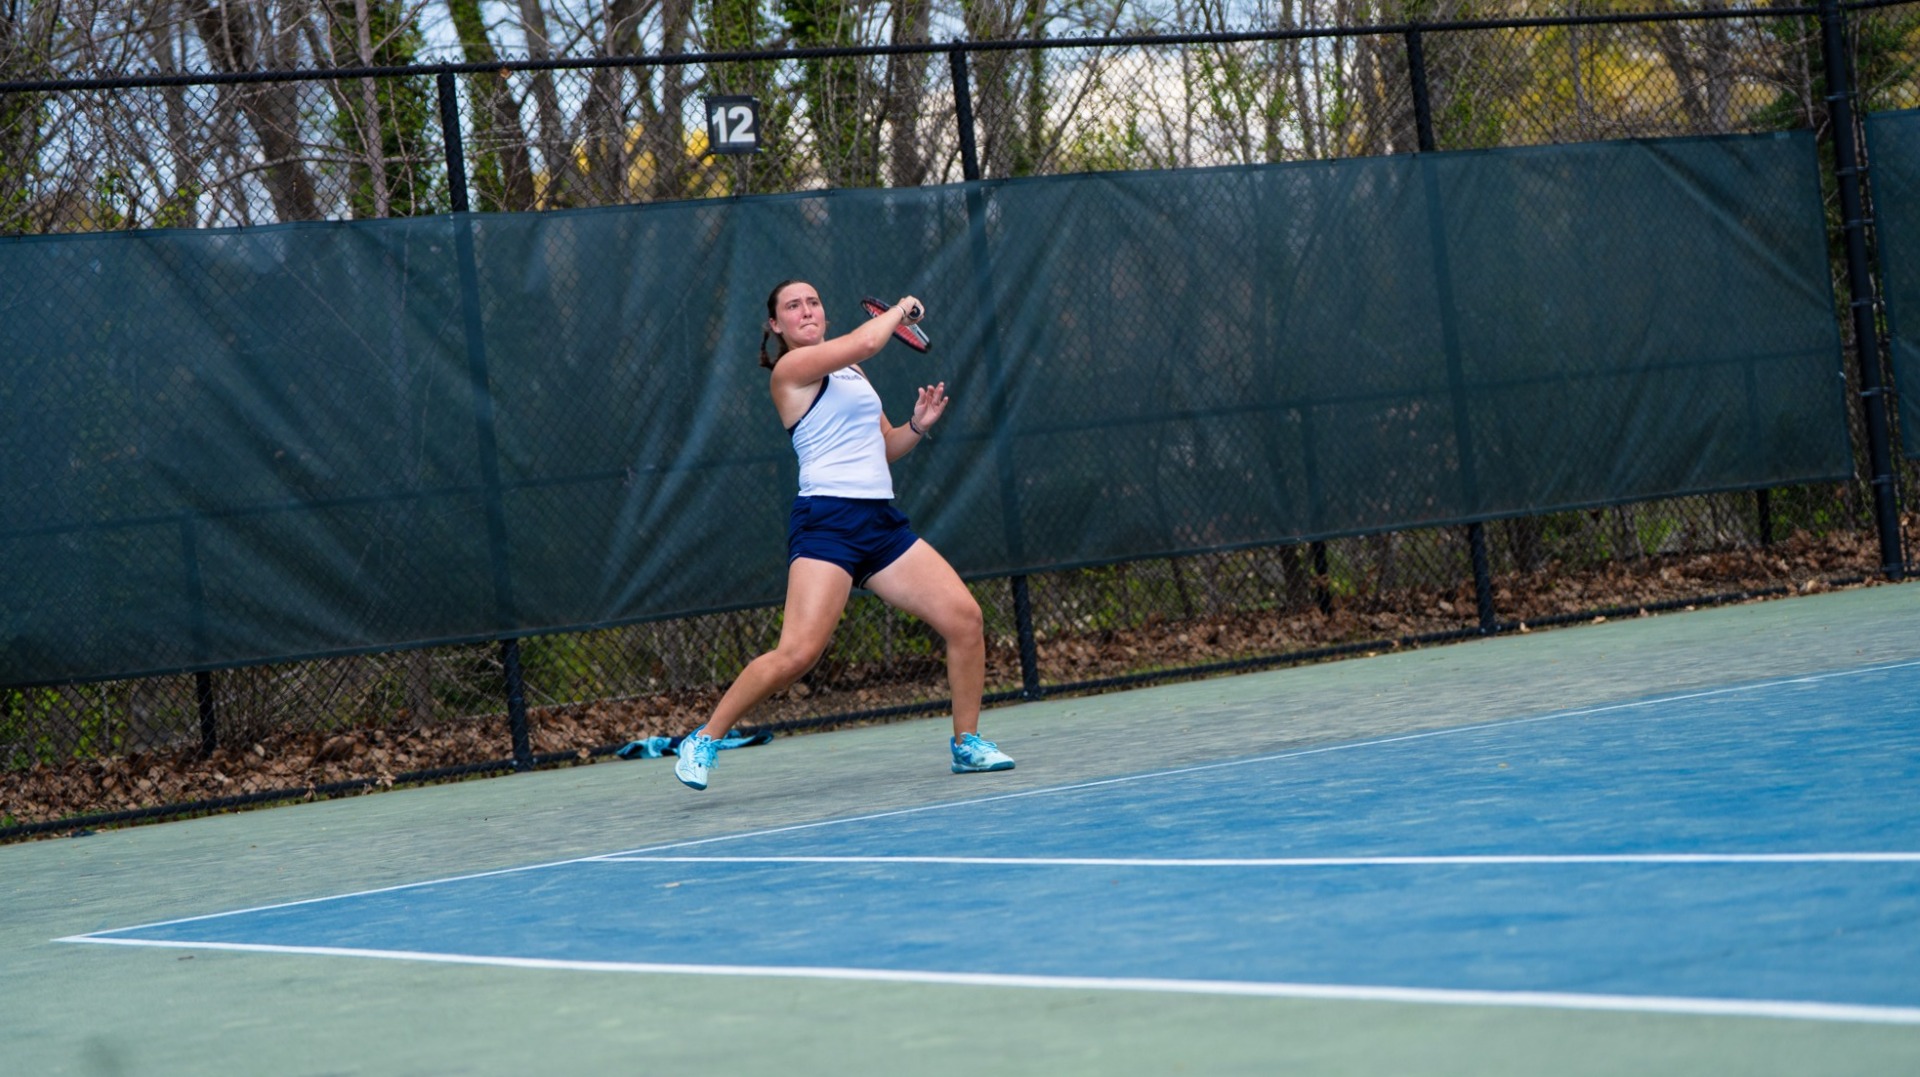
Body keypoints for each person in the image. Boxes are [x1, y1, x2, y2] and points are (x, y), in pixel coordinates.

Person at [674, 279, 1015, 790]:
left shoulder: (852, 373)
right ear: (776, 326)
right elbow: (866, 341)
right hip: (826, 522)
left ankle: (967, 743)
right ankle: (704, 738)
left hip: (879, 524)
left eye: (813, 302)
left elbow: (883, 445)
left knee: (965, 620)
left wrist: (917, 426)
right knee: (798, 655)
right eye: (793, 306)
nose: (806, 310)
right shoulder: (791, 370)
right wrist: (901, 308)